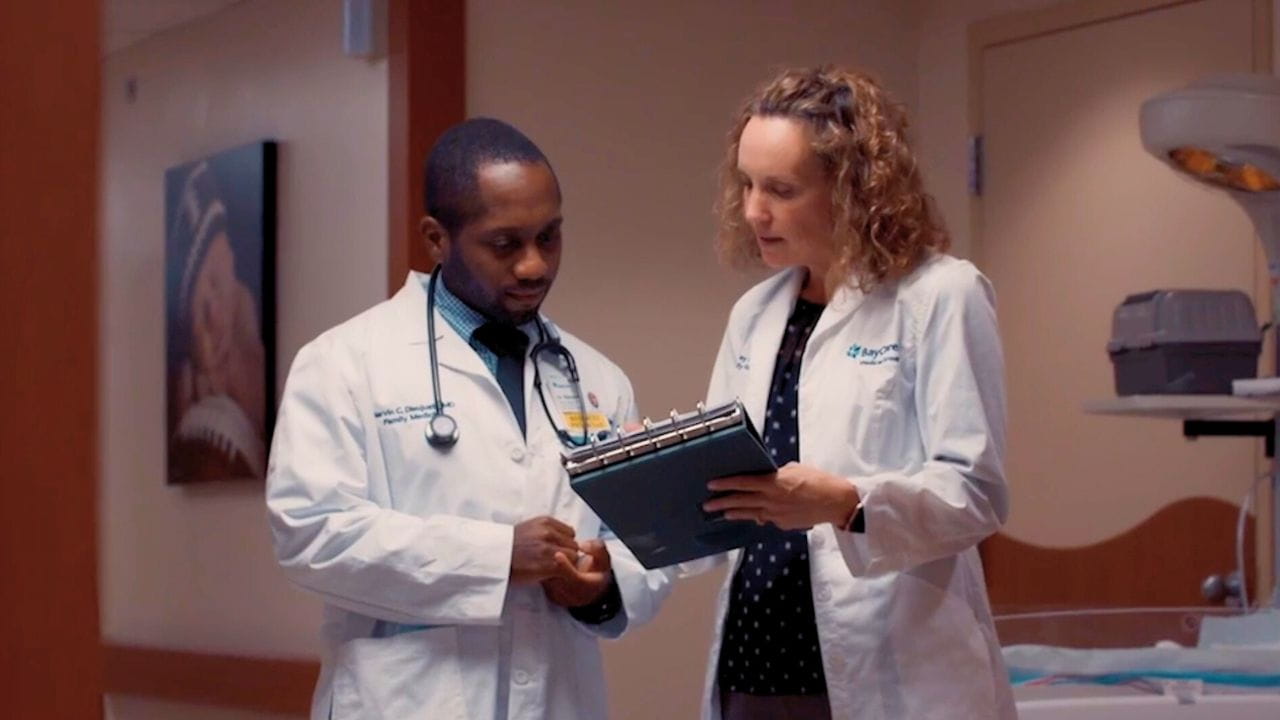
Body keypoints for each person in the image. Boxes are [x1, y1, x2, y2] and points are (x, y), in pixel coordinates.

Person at [266, 118, 671, 720]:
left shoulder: (598, 379)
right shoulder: (345, 364)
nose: (534, 266)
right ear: (437, 239)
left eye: (550, 237)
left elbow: (644, 543)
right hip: (405, 700)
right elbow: (311, 532)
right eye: (505, 244)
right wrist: (495, 555)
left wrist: (602, 589)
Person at [693, 66, 1016, 719]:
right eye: (747, 184)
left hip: (887, 670)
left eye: (781, 189)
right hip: (753, 664)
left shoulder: (940, 297)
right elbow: (719, 476)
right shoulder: (756, 315)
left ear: (854, 190)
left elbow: (976, 493)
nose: (754, 210)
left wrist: (848, 503)